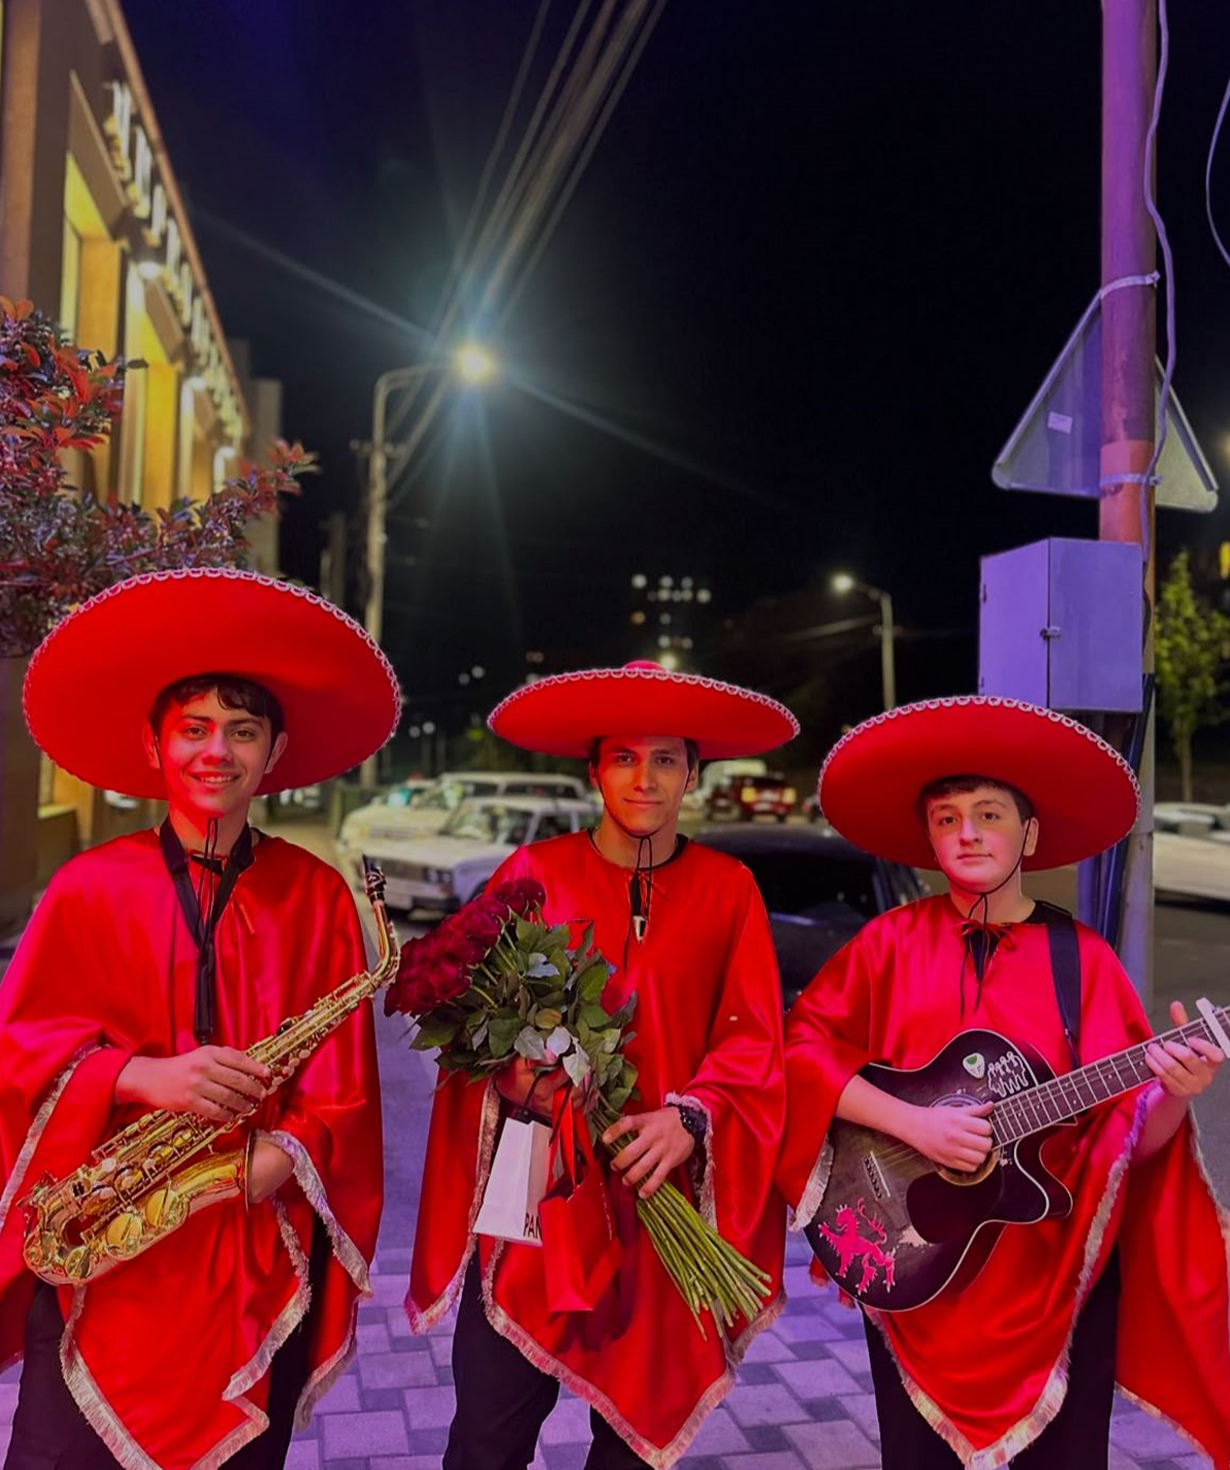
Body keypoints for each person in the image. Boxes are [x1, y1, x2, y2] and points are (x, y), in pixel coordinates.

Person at [0, 568, 401, 1470]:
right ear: (154, 746)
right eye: (193, 730)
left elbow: (345, 1090)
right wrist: (137, 1075)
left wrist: (269, 1163)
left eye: (243, 732)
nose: (216, 753)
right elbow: (15, 1052)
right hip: (104, 1260)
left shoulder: (319, 896)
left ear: (275, 751)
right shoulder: (83, 888)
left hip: (249, 1257)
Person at [777, 695, 1230, 1470]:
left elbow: (1130, 1137)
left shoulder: (1081, 959)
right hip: (917, 1259)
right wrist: (915, 1126)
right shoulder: (888, 944)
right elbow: (798, 1055)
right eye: (947, 817)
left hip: (1052, 1288)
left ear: (1031, 834)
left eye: (989, 814)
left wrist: (1178, 1092)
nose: (968, 833)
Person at [409, 661, 797, 1469]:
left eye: (665, 759)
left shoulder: (731, 889)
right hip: (534, 1197)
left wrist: (694, 1116)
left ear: (694, 771)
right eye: (623, 756)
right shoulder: (533, 874)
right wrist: (522, 1081)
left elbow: (757, 1038)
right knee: (487, 1431)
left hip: (664, 1196)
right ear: (593, 770)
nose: (644, 778)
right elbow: (470, 1035)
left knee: (630, 1448)